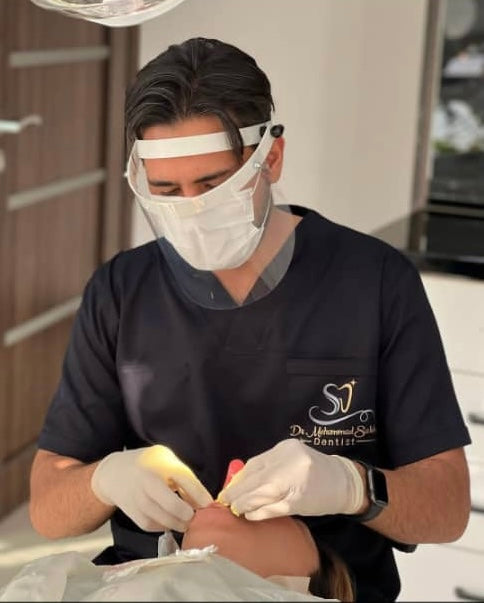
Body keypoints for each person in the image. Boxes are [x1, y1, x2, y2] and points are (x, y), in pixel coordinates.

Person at [29, 37, 471, 601]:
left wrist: (352, 486)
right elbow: (48, 509)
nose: (190, 212)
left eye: (212, 186)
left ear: (270, 159)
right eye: (166, 191)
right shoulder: (121, 291)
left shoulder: (374, 282)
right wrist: (103, 481)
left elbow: (447, 509)